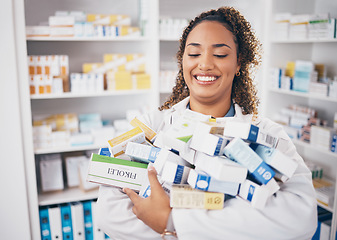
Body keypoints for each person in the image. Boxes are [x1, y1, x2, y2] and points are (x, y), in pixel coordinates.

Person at [96, 6, 317, 240]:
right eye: (194, 54)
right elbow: (109, 213)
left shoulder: (268, 134)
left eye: (220, 54)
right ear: (183, 61)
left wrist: (170, 221)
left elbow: (301, 216)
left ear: (239, 63)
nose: (205, 64)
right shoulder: (151, 125)